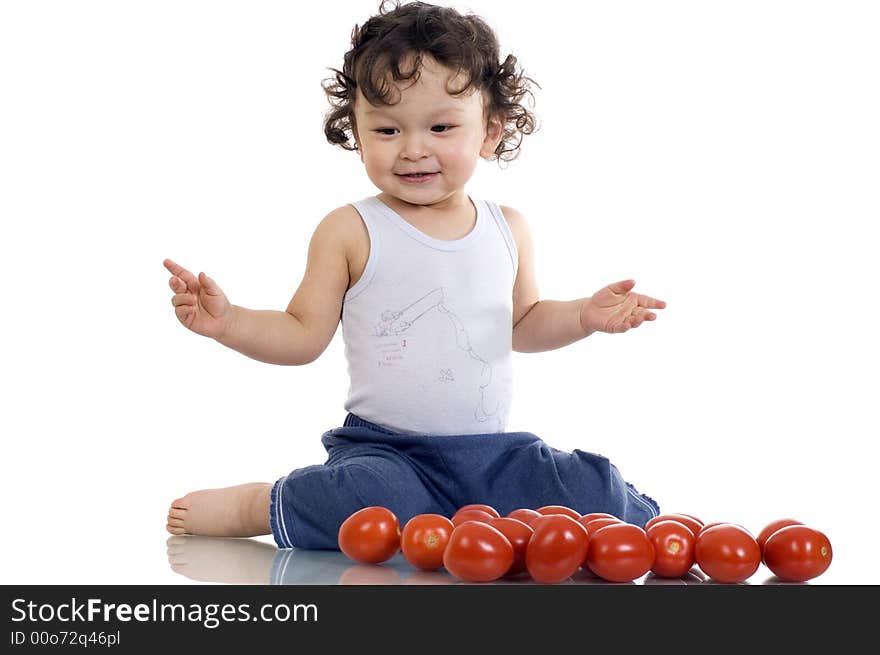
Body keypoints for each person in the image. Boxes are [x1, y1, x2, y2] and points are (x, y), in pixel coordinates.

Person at [165, 0, 666, 549]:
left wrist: (582, 317)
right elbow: (302, 334)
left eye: (441, 126)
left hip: (490, 457)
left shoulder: (508, 228)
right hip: (385, 453)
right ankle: (260, 504)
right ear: (355, 129)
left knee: (589, 493)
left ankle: (508, 521)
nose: (413, 149)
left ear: (490, 132)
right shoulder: (351, 229)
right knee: (374, 504)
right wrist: (229, 322)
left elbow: (522, 324)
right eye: (387, 130)